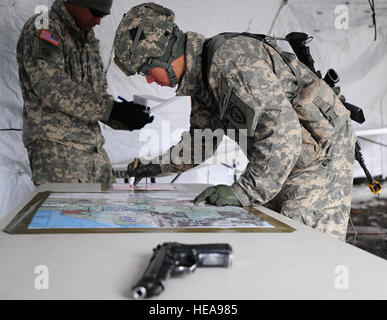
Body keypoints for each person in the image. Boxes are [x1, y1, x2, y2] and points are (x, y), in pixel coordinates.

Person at [113, 2, 356, 240]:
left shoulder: (231, 61)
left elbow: (282, 132)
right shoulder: (202, 79)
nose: (148, 81)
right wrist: (158, 166)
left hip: (320, 162)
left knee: (302, 247)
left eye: (146, 71)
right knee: (274, 238)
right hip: (286, 161)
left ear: (162, 56)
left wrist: (242, 192)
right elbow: (202, 141)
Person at [16, 0, 153, 186]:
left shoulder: (87, 38)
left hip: (93, 148)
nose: (98, 21)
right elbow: (51, 86)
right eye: (95, 12)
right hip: (57, 147)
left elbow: (96, 94)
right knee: (67, 213)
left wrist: (123, 116)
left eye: (103, 16)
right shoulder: (44, 27)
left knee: (105, 213)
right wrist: (110, 109)